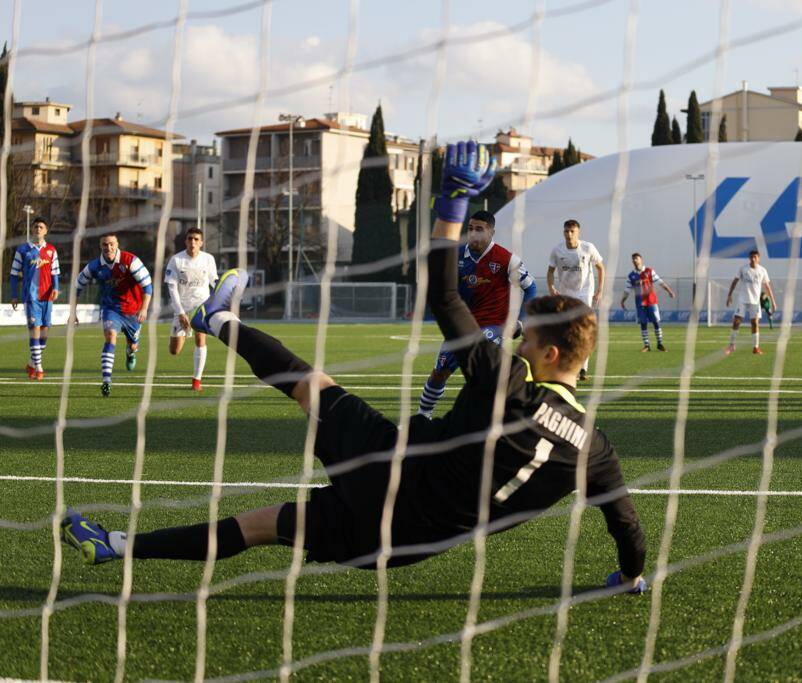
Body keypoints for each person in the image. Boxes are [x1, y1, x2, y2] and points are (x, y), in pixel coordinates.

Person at [60, 140, 647, 595]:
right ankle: (114, 544)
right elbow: (627, 528)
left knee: (311, 385)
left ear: (547, 355)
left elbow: (444, 296)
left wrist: (452, 202)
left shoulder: (507, 381)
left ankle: (215, 320)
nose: (517, 345)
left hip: (390, 469)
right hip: (406, 543)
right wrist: (629, 576)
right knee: (262, 526)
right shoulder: (596, 449)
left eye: (527, 341)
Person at [417, 209, 536, 418]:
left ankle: (498, 418)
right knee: (440, 372)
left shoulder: (506, 259)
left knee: (485, 375)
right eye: (470, 228)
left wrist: (520, 323)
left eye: (479, 229)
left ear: (491, 232)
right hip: (461, 324)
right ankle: (423, 414)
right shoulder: (456, 256)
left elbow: (531, 288)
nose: (473, 233)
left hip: (493, 326)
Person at [72, 233, 153, 397]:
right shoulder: (95, 266)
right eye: (104, 245)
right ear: (100, 246)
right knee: (110, 336)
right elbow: (77, 286)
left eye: (111, 244)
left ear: (117, 244)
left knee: (133, 345)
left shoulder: (131, 261)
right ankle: (106, 381)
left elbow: (147, 285)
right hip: (111, 309)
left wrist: (144, 309)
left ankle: (130, 353)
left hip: (133, 310)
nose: (108, 248)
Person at [547, 219, 604, 381]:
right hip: (566, 293)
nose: (569, 234)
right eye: (566, 231)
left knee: (583, 328)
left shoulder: (588, 248)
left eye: (572, 231)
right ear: (563, 232)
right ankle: (567, 364)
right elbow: (550, 271)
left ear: (578, 232)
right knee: (566, 331)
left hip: (585, 293)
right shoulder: (557, 250)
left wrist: (599, 290)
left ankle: (583, 369)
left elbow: (601, 268)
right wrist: (551, 287)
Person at [165, 227, 219, 391]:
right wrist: (180, 312)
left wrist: (222, 296)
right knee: (174, 351)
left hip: (201, 306)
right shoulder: (176, 260)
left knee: (200, 339)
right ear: (185, 241)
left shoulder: (208, 259)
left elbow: (214, 282)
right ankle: (182, 332)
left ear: (201, 242)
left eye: (196, 239)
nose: (193, 242)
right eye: (190, 239)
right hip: (182, 307)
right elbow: (172, 289)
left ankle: (196, 380)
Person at [8, 217, 60, 380]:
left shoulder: (51, 250)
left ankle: (31, 362)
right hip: (31, 297)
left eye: (41, 227)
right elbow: (14, 274)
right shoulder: (23, 250)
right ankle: (39, 367)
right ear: (32, 229)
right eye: (36, 226)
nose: (38, 229)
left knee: (44, 332)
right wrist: (14, 295)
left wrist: (56, 288)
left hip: (47, 296)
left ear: (46, 231)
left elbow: (55, 272)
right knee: (35, 330)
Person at [619, 252, 675, 352]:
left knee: (656, 322)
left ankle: (660, 344)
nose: (634, 260)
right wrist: (623, 301)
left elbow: (660, 282)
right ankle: (647, 345)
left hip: (651, 302)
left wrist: (669, 291)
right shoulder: (631, 276)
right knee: (643, 324)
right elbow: (627, 290)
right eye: (633, 259)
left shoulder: (649, 271)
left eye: (636, 258)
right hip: (640, 303)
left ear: (641, 259)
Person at [724, 250, 776, 356]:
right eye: (751, 257)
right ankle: (731, 345)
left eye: (755, 257)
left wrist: (773, 301)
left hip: (755, 301)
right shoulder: (743, 269)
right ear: (749, 258)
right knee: (736, 322)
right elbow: (735, 281)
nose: (753, 259)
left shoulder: (762, 270)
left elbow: (767, 287)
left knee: (755, 323)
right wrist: (729, 295)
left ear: (758, 258)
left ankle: (755, 348)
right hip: (743, 300)